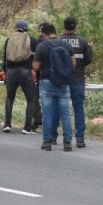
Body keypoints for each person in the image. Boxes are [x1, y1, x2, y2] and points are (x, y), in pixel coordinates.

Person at [32, 22, 75, 151]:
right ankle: (67, 142)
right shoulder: (66, 44)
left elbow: (36, 67)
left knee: (47, 113)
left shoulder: (42, 47)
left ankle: (47, 142)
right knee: (65, 113)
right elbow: (73, 63)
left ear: (44, 34)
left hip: (47, 83)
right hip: (63, 83)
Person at [1, 20, 39, 134]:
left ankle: (7, 124)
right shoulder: (32, 40)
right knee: (31, 99)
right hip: (25, 72)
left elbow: (5, 59)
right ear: (26, 29)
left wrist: (5, 72)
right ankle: (27, 127)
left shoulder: (9, 40)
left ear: (16, 28)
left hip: (11, 72)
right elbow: (38, 56)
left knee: (10, 98)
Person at [62, 16, 94, 148]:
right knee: (78, 109)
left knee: (61, 109)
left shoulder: (59, 41)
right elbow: (88, 59)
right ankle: (80, 139)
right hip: (78, 79)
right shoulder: (83, 41)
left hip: (62, 80)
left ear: (64, 27)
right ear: (75, 27)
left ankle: (53, 137)